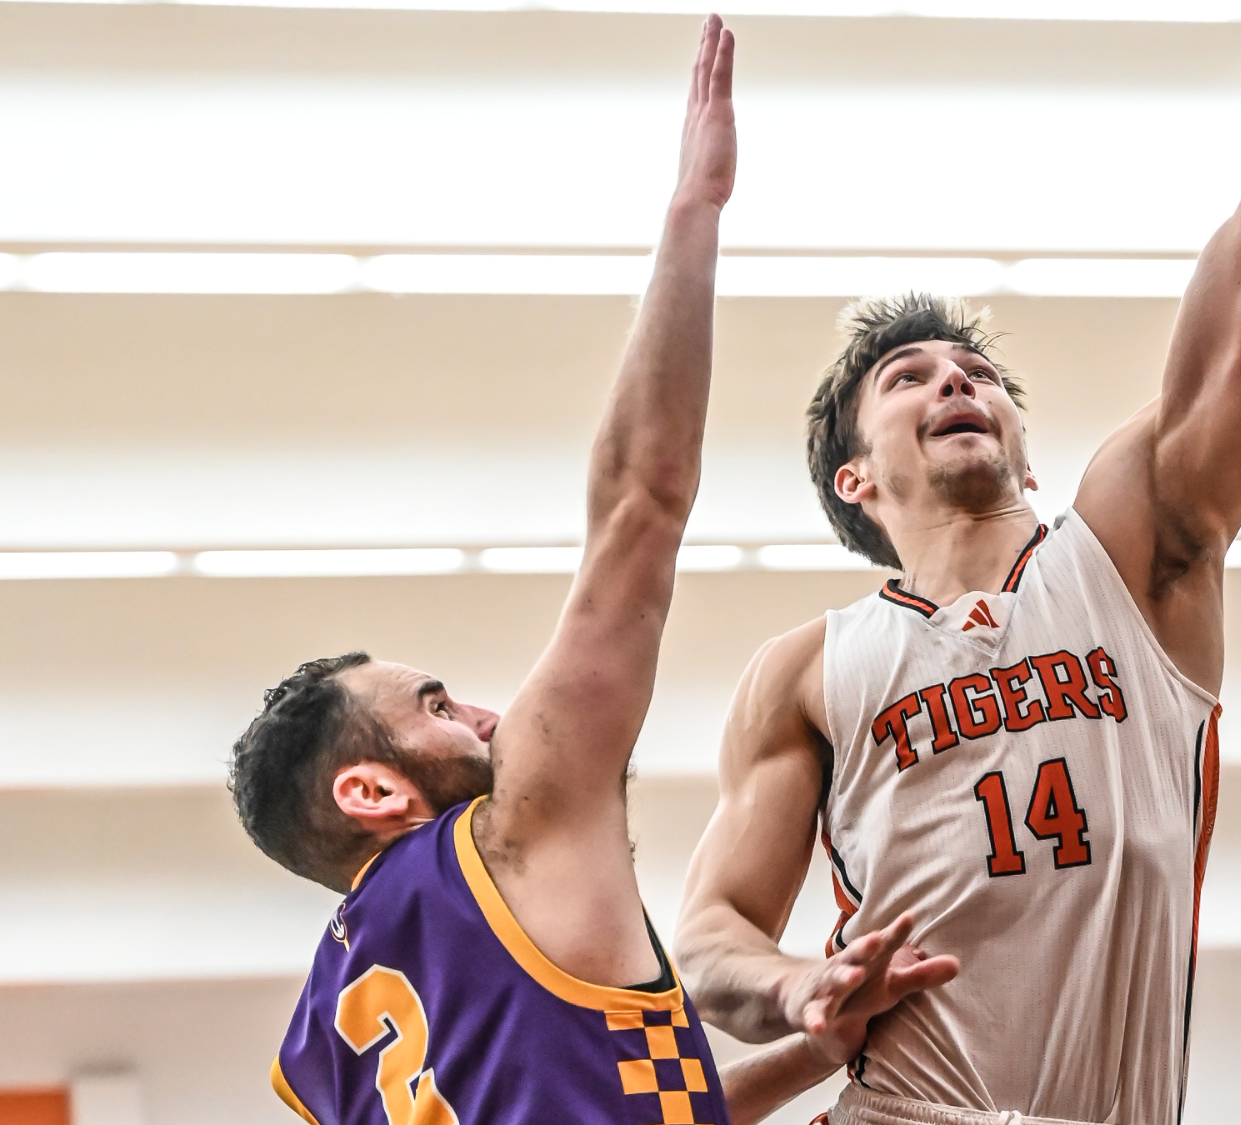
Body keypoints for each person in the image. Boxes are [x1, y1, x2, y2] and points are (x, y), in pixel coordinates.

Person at [672, 4, 1241, 1124]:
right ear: (855, 480)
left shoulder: (1132, 557)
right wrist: (800, 985)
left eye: (976, 371)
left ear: (1023, 447)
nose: (955, 381)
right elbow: (708, 937)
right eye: (907, 375)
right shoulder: (807, 669)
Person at [228, 21, 902, 1125]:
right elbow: (638, 510)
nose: (487, 713)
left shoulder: (323, 1046)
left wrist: (816, 1045)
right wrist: (694, 213)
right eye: (435, 705)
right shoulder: (509, 831)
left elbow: (629, 1099)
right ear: (371, 791)